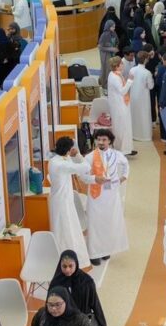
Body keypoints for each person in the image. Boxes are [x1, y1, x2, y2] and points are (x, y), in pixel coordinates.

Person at [80, 129, 129, 264]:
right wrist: (95, 179)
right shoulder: (89, 157)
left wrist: (124, 177)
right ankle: (94, 254)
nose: (101, 142)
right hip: (96, 196)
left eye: (104, 140)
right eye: (98, 139)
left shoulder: (116, 155)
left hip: (111, 195)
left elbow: (126, 164)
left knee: (109, 222)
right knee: (95, 224)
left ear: (110, 141)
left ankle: (106, 250)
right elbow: (83, 176)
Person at [48, 137, 92, 269]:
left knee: (68, 228)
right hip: (62, 203)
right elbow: (86, 166)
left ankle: (69, 257)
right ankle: (67, 260)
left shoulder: (56, 160)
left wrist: (71, 155)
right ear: (68, 150)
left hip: (63, 200)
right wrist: (77, 155)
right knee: (65, 230)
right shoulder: (62, 165)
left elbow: (70, 161)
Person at [48, 250, 107, 326]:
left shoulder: (87, 282)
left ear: (76, 264)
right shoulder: (56, 282)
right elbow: (49, 304)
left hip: (83, 324)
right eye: (64, 266)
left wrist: (102, 325)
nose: (67, 270)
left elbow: (95, 303)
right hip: (63, 324)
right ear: (60, 265)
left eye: (70, 266)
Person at [29, 286, 97, 326]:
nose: (54, 308)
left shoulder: (80, 320)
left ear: (66, 302)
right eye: (50, 305)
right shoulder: (41, 315)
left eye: (58, 304)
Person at [107, 56, 136, 156]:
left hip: (122, 103)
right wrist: (130, 81)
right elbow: (123, 91)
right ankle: (122, 149)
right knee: (122, 127)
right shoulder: (114, 77)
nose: (123, 64)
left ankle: (127, 148)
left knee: (125, 126)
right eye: (121, 63)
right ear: (117, 66)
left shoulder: (116, 74)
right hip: (119, 105)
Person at [128, 51, 154, 142]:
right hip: (143, 98)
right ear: (146, 60)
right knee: (144, 115)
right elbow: (150, 86)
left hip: (133, 96)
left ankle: (134, 134)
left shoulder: (132, 70)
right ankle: (144, 135)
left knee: (134, 115)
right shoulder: (147, 73)